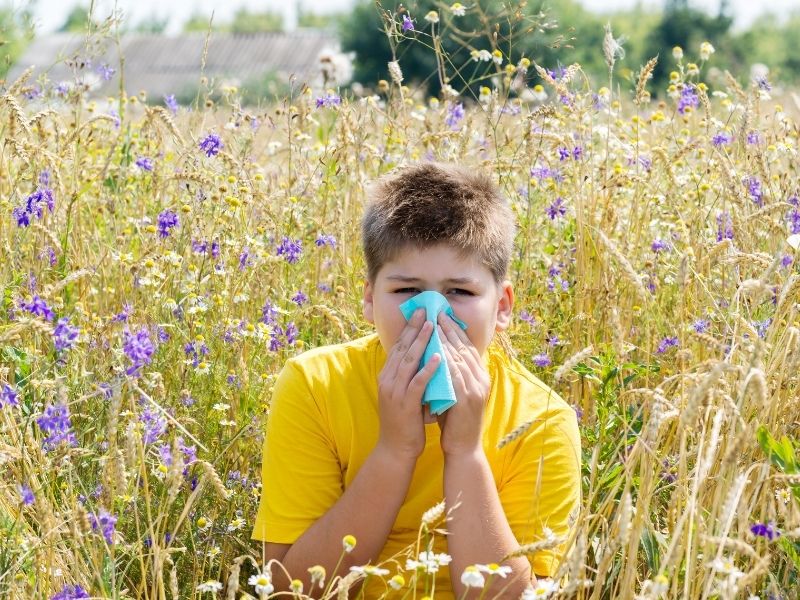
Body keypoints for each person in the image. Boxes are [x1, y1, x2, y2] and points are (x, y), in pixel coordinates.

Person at [251, 162, 581, 599]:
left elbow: (515, 597)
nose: (430, 314)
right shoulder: (314, 384)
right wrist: (395, 449)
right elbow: (290, 590)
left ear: (502, 306)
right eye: (407, 291)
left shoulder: (541, 419)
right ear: (370, 299)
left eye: (459, 293)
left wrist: (464, 452)